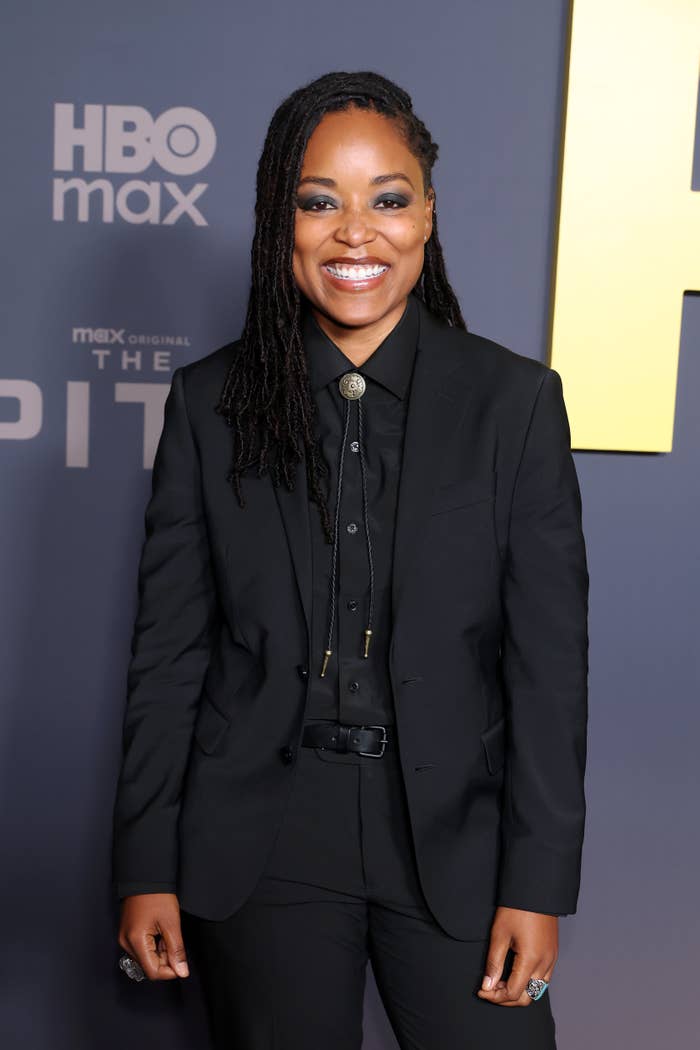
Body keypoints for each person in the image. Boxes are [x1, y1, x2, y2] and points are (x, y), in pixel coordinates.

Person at [112, 70, 588, 1049]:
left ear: (428, 216)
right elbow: (168, 657)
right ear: (278, 222)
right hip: (264, 843)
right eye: (319, 201)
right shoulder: (208, 405)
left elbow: (548, 671)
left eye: (388, 200)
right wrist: (143, 863)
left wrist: (538, 884)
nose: (356, 233)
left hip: (455, 839)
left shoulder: (515, 404)